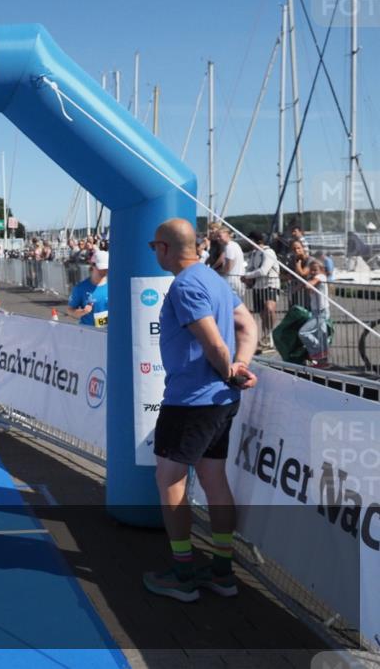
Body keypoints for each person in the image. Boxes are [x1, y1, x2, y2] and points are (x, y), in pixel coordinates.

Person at [143, 219, 258, 603]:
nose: (153, 253)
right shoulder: (213, 280)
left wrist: (230, 367)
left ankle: (183, 573)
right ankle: (223, 572)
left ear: (164, 248)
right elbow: (248, 325)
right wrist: (239, 368)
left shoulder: (187, 284)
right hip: (220, 401)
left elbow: (212, 340)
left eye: (153, 247)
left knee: (170, 481)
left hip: (191, 402)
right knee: (214, 480)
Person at [241, 231, 280, 351]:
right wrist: (246, 275)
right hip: (258, 287)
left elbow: (263, 270)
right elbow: (249, 268)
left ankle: (272, 336)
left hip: (270, 285)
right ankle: (266, 338)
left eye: (250, 240)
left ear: (255, 240)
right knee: (263, 314)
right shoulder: (253, 254)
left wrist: (247, 276)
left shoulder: (268, 252)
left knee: (269, 308)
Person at [298, 259, 331, 368]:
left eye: (315, 270)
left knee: (303, 332)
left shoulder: (321, 277)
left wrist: (304, 278)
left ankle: (318, 352)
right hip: (316, 311)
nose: (312, 272)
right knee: (322, 335)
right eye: (311, 270)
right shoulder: (314, 278)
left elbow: (309, 285)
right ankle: (323, 361)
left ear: (321, 270)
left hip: (321, 312)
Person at [66, 250, 110, 327]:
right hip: (90, 333)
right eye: (101, 268)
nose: (105, 271)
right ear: (92, 265)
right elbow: (70, 310)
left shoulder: (115, 286)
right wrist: (82, 312)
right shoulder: (80, 288)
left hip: (110, 333)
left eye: (107, 268)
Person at [217, 228, 246, 297]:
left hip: (231, 279)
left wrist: (220, 272)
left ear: (227, 235)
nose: (218, 238)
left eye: (219, 236)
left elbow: (229, 266)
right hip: (239, 278)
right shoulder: (236, 245)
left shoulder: (229, 247)